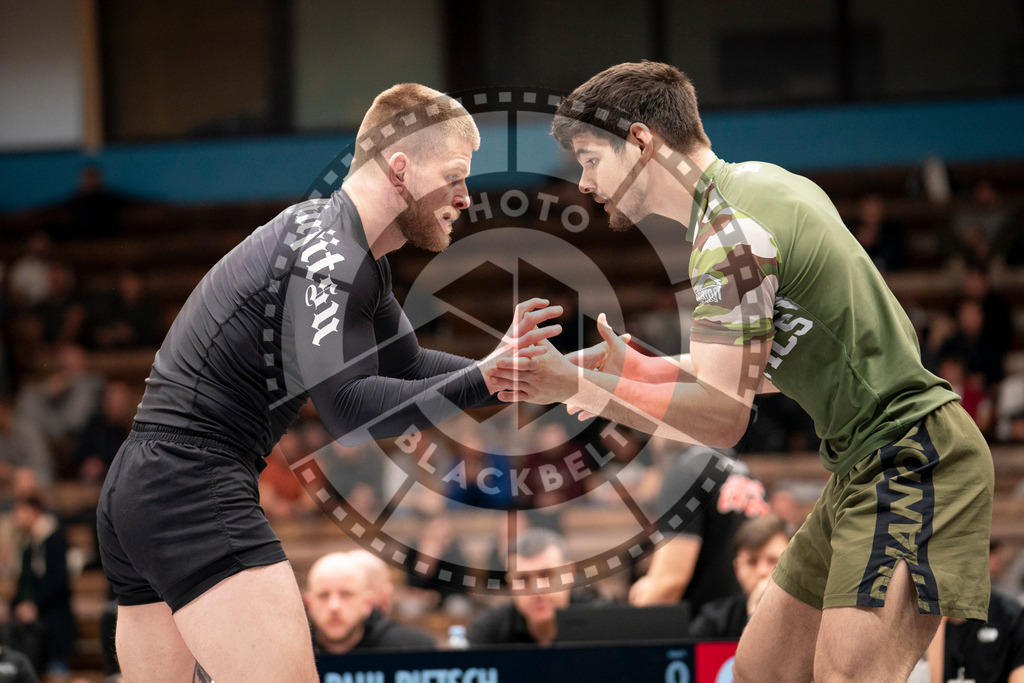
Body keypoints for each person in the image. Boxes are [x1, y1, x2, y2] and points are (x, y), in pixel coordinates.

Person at [491, 61, 994, 681]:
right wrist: (642, 371)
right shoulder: (757, 187)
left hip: (914, 453)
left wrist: (579, 386)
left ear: (642, 141)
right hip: (862, 463)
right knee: (762, 670)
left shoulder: (731, 238)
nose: (586, 181)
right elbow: (791, 362)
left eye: (592, 158)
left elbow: (725, 419)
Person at [95, 83, 576, 682]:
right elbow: (347, 410)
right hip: (189, 482)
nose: (464, 197)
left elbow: (407, 369)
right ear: (400, 168)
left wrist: (521, 377)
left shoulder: (344, 250)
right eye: (454, 176)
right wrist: (487, 376)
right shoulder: (331, 253)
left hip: (143, 483)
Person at [629, 446, 769, 614]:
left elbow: (671, 581)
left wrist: (642, 605)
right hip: (746, 620)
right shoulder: (746, 472)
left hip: (705, 627)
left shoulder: (684, 473)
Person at [467, 528, 601, 647]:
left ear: (569, 574)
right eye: (523, 579)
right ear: (511, 584)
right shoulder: (490, 630)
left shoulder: (602, 622)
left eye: (546, 575)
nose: (536, 590)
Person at [304, 551, 436, 655]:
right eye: (323, 596)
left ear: (367, 604)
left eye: (346, 595)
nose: (334, 606)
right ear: (309, 604)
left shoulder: (413, 650)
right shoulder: (289, 654)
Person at [5, 492, 75, 678]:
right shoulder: (27, 543)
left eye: (19, 510)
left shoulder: (53, 538)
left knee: (55, 670)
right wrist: (12, 606)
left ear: (34, 511)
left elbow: (59, 582)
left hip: (52, 619)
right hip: (28, 622)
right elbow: (23, 584)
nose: (15, 515)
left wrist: (34, 605)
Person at [687, 513, 791, 640]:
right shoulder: (714, 620)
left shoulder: (811, 617)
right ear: (737, 569)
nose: (762, 571)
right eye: (752, 562)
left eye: (773, 560)